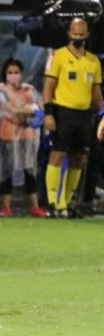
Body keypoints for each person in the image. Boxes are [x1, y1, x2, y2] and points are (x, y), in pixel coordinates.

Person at [42, 17, 103, 217]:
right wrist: (48, 113)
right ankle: (53, 202)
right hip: (63, 112)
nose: (77, 37)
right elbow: (49, 86)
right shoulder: (58, 56)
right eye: (74, 33)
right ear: (68, 33)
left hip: (85, 114)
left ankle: (68, 203)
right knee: (57, 154)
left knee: (79, 158)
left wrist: (102, 113)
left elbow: (96, 92)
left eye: (81, 34)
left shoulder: (93, 61)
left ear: (87, 35)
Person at [0, 58, 47, 218]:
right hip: (7, 135)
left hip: (27, 135)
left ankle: (34, 207)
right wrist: (30, 109)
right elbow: (10, 109)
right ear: (5, 74)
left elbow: (40, 108)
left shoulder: (29, 89)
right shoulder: (0, 90)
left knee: (30, 169)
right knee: (6, 169)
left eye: (16, 72)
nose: (14, 75)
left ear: (22, 74)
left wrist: (30, 110)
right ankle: (6, 207)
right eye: (10, 72)